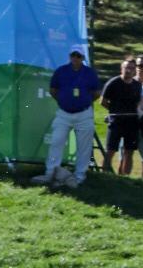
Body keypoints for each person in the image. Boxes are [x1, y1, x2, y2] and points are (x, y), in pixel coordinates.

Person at [38, 47, 101, 187]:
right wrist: (63, 101)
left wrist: (83, 101)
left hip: (84, 114)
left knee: (84, 147)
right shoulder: (61, 71)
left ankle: (79, 176)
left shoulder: (89, 73)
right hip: (64, 114)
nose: (75, 58)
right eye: (73, 55)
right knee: (56, 141)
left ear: (83, 58)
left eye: (78, 56)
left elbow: (96, 93)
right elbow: (53, 90)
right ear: (70, 56)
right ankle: (51, 173)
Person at [100, 59, 141, 176]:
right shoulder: (113, 83)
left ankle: (124, 177)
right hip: (116, 121)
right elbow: (102, 101)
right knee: (110, 150)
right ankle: (105, 176)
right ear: (121, 68)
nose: (129, 70)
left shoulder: (137, 85)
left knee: (129, 151)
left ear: (134, 70)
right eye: (126, 67)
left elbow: (138, 102)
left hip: (132, 122)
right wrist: (114, 111)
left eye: (132, 68)